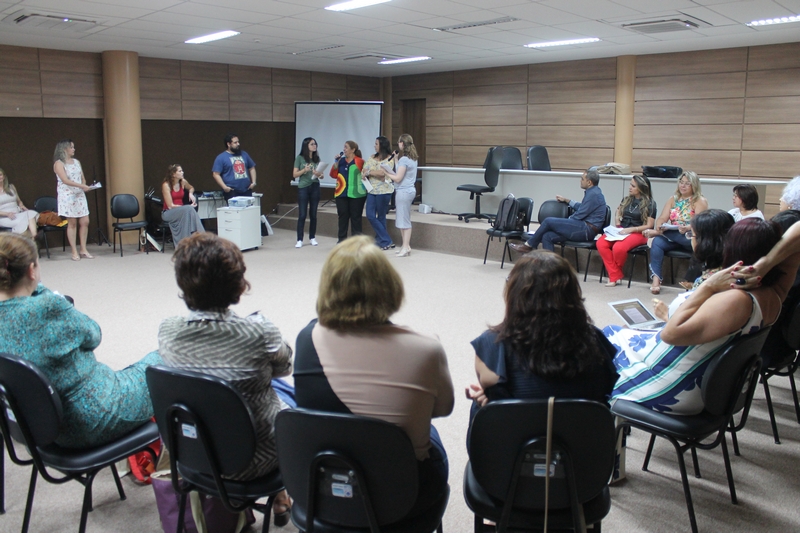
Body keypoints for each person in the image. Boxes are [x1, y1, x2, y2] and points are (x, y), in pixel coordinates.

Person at [293, 235, 454, 518]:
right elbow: (443, 409)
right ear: (389, 286)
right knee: (430, 434)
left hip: (324, 489)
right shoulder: (426, 348)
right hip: (405, 499)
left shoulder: (307, 339)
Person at [158, 232, 294, 525]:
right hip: (258, 461)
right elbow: (285, 367)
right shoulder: (259, 332)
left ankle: (280, 496)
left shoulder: (167, 331)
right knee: (288, 396)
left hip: (194, 456)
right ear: (238, 283)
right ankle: (283, 495)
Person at [607, 218, 798, 416]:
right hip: (696, 376)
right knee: (614, 334)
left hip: (669, 383)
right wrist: (766, 263)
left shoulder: (736, 300)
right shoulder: (775, 293)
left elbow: (670, 335)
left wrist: (708, 286)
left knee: (600, 344)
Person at [0, 232, 161, 448]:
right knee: (166, 359)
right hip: (94, 417)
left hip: (36, 428)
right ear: (31, 270)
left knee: (137, 371)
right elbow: (93, 335)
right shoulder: (47, 307)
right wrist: (45, 292)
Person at [466, 252, 618, 420]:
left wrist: (490, 396)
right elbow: (603, 392)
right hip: (581, 434)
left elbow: (501, 407)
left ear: (516, 293)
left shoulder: (491, 345)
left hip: (519, 434)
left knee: (482, 403)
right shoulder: (596, 340)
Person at [510, 169, 607, 253]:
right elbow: (582, 207)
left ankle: (529, 245)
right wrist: (567, 200)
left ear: (589, 182)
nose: (580, 181)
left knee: (548, 221)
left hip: (586, 230)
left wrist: (566, 222)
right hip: (585, 229)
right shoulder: (594, 192)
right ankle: (551, 266)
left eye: (582, 179)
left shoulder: (593, 195)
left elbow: (580, 214)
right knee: (547, 236)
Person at [644, 170, 709, 294]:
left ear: (694, 185)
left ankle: (659, 233)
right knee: (657, 242)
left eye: (687, 183)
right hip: (673, 236)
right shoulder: (673, 199)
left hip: (689, 237)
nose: (683, 186)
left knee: (660, 235)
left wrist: (687, 227)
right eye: (681, 182)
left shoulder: (700, 200)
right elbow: (662, 218)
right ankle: (656, 280)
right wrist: (660, 225)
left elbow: (700, 223)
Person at [596, 175, 656, 287]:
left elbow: (649, 225)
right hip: (623, 230)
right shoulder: (626, 200)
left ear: (641, 188)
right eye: (630, 185)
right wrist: (617, 220)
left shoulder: (650, 203)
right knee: (601, 243)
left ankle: (613, 276)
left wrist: (632, 229)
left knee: (618, 247)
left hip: (639, 232)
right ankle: (615, 274)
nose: (630, 187)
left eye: (633, 186)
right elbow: (619, 213)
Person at [53, 139, 93, 261]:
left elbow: (82, 177)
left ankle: (83, 249)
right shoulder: (59, 164)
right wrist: (81, 186)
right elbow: (65, 180)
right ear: (64, 149)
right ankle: (74, 251)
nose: (73, 149)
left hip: (79, 195)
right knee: (72, 223)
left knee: (85, 221)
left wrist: (84, 185)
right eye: (71, 147)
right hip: (67, 195)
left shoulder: (77, 162)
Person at [381, 134, 418, 257]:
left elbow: (397, 178)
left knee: (404, 221)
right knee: (402, 219)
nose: (398, 144)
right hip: (408, 190)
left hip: (404, 192)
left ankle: (406, 247)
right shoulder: (412, 158)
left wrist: (386, 172)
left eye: (399, 142)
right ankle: (405, 245)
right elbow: (401, 172)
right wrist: (396, 160)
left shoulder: (405, 160)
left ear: (402, 143)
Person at [362, 136, 395, 250]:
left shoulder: (390, 158)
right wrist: (369, 172)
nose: (374, 146)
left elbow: (382, 173)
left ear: (382, 145)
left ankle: (381, 241)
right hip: (371, 190)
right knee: (370, 215)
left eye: (376, 144)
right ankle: (386, 240)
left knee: (381, 216)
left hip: (384, 191)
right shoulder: (371, 157)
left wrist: (369, 172)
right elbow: (363, 170)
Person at [329, 140, 366, 243]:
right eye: (344, 147)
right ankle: (342, 240)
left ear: (353, 150)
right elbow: (333, 175)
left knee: (356, 218)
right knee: (342, 217)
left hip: (357, 194)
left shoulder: (360, 161)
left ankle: (356, 242)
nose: (344, 149)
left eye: (346, 147)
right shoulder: (340, 161)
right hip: (341, 192)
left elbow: (365, 175)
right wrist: (336, 163)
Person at [160, 164, 205, 247]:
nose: (182, 172)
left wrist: (190, 193)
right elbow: (170, 205)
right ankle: (202, 236)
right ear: (173, 174)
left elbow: (191, 188)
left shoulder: (183, 182)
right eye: (180, 171)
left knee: (188, 211)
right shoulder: (166, 185)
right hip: (168, 212)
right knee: (188, 209)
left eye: (182, 170)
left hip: (183, 212)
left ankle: (190, 242)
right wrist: (186, 207)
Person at [293, 137, 324, 248]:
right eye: (312, 144)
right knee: (302, 214)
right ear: (306, 146)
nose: (314, 146)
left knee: (313, 214)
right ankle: (299, 239)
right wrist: (304, 170)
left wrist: (318, 174)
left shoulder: (317, 158)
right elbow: (294, 174)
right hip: (303, 187)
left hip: (315, 186)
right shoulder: (300, 158)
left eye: (315, 144)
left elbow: (322, 175)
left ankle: (312, 237)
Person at [212, 133, 256, 201]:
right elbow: (216, 174)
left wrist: (253, 182)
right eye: (235, 142)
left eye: (238, 142)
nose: (238, 144)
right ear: (228, 144)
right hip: (232, 191)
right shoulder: (221, 158)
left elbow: (252, 168)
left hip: (246, 189)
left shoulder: (244, 154)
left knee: (248, 207)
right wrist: (225, 187)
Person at [0, 167, 38, 236]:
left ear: (4, 176)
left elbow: (19, 201)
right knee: (23, 221)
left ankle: (34, 236)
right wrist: (7, 214)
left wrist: (22, 206)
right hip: (4, 217)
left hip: (17, 214)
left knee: (31, 213)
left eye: (0, 175)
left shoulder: (11, 187)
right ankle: (28, 239)